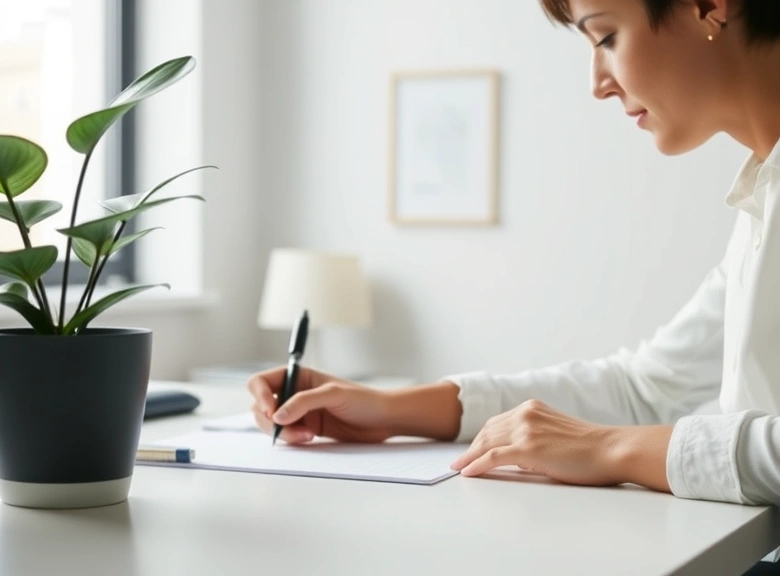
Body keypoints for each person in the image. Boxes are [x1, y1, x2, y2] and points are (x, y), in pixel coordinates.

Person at [248, 0, 780, 539]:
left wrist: (608, 447)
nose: (598, 83)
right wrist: (393, 410)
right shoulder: (762, 198)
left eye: (605, 38)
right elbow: (644, 388)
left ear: (710, 6)